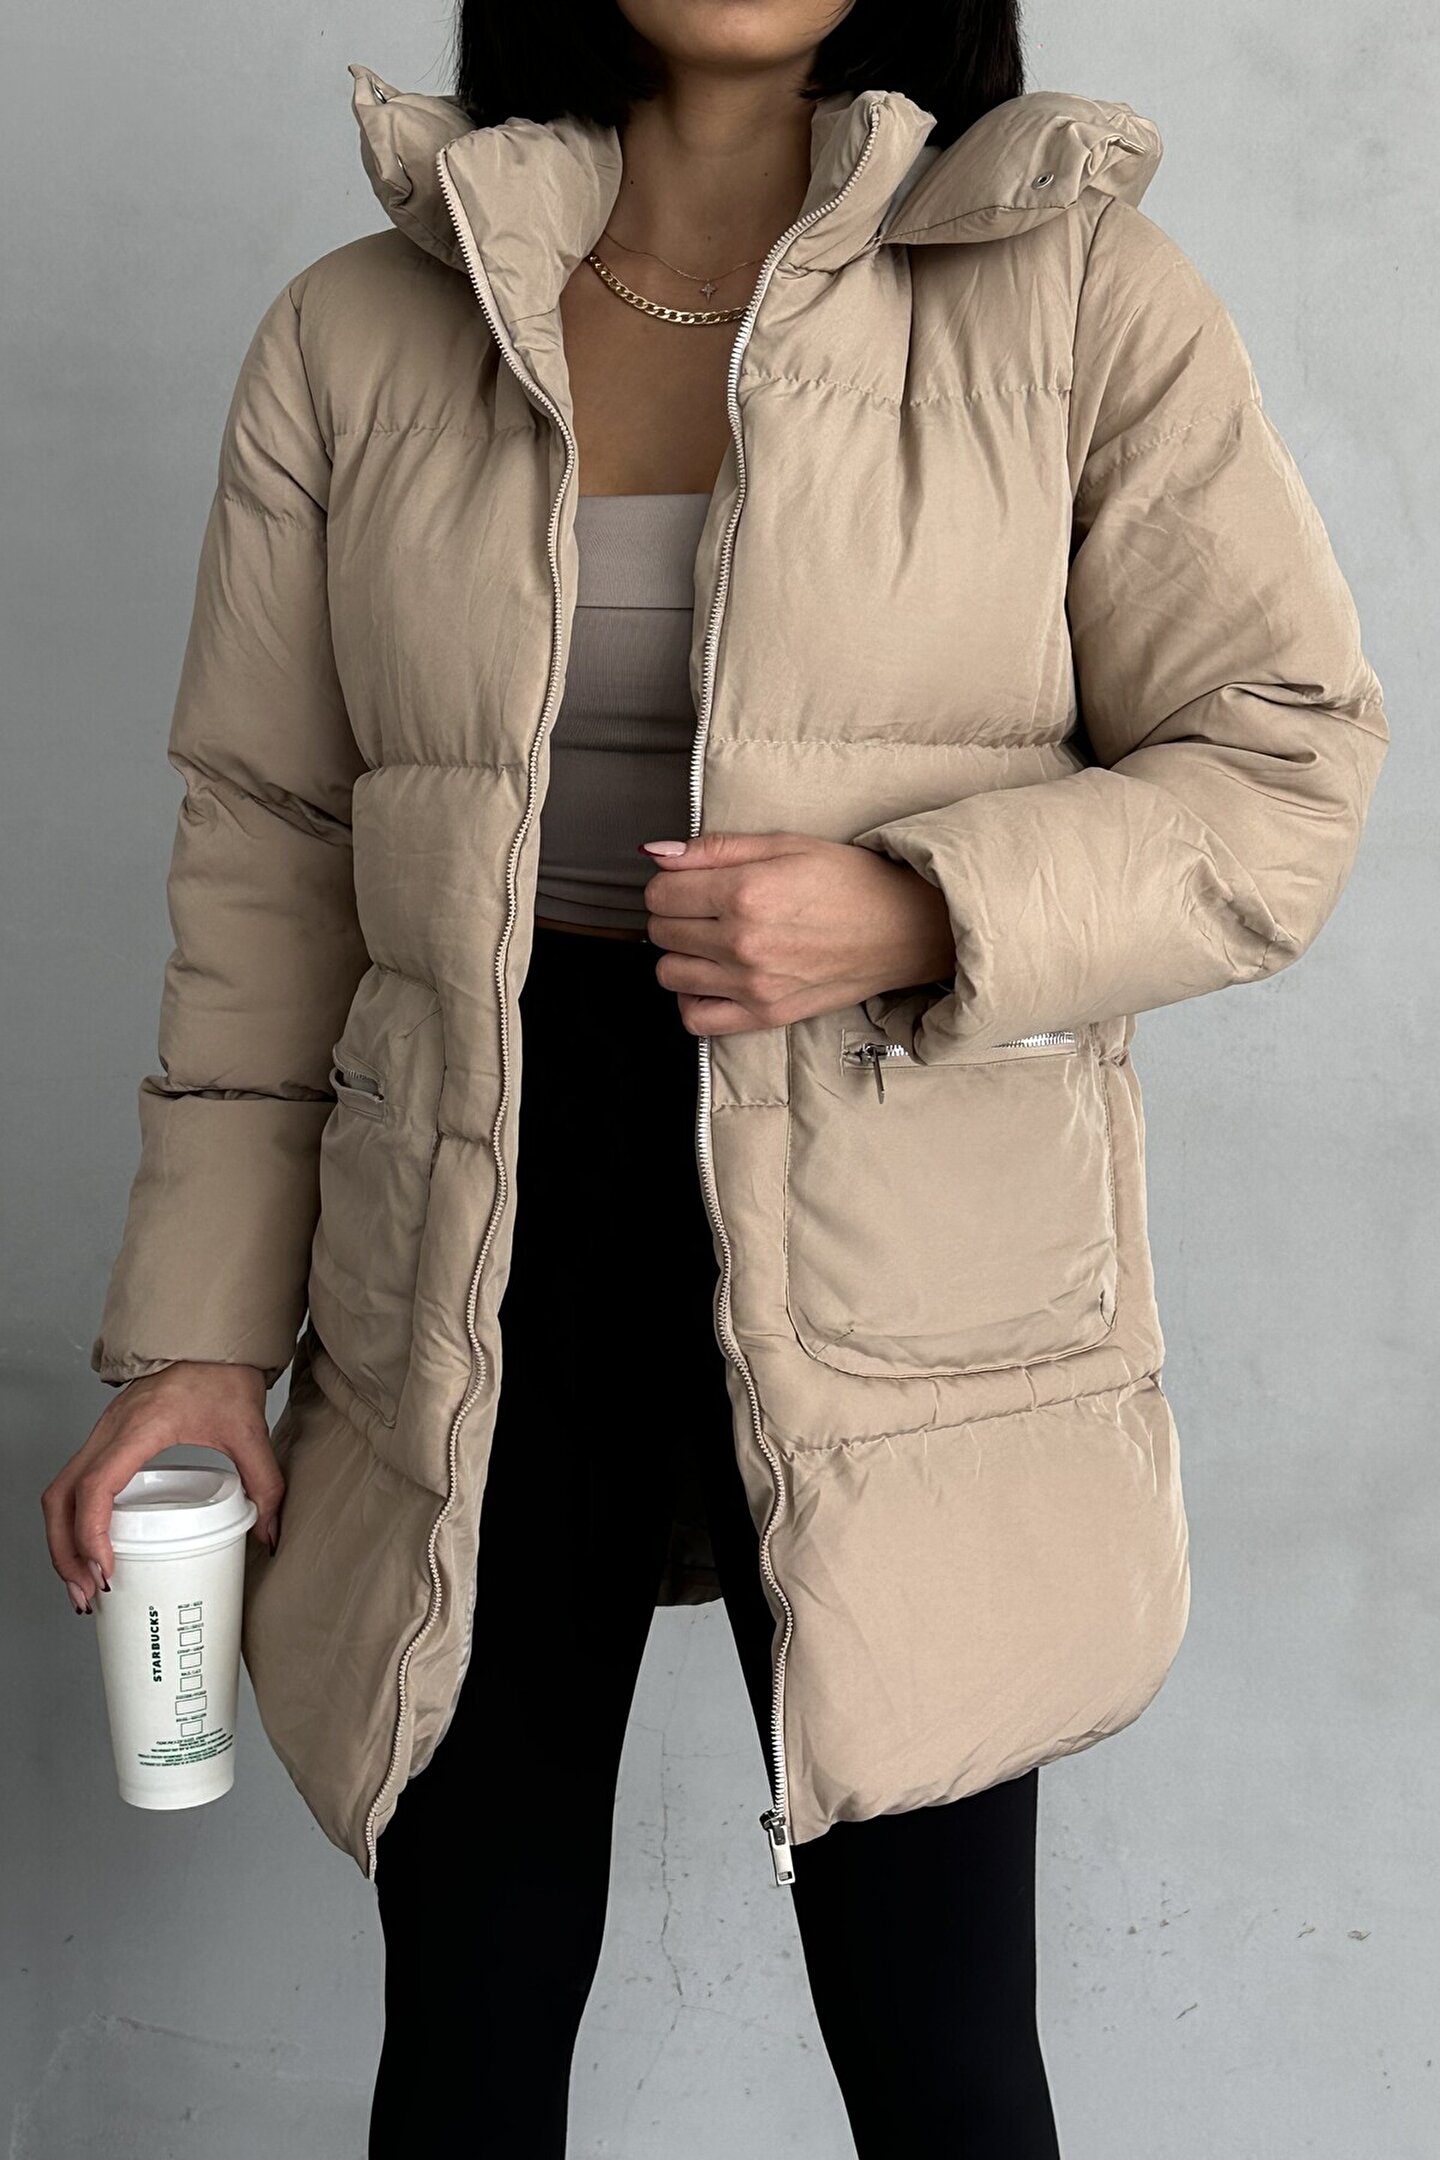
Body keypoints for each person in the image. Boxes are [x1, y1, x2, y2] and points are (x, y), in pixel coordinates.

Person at [41, 2, 1388, 2151]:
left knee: (942, 2056)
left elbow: (1283, 765)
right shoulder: (361, 331)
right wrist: (199, 1343)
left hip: (904, 1236)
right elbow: (273, 862)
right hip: (474, 1225)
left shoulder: (1073, 290)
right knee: (468, 2030)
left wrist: (920, 906)